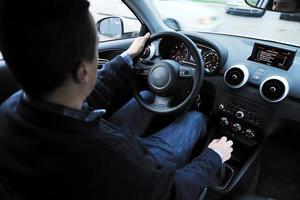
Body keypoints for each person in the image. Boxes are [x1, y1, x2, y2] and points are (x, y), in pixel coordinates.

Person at [0, 0, 233, 199]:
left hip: (82, 163)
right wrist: (213, 157)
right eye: (95, 50)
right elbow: (173, 193)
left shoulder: (9, 109)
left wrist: (126, 58)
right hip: (133, 166)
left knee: (145, 95)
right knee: (194, 119)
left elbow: (86, 95)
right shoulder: (105, 157)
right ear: (83, 72)